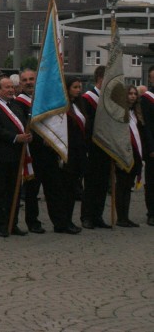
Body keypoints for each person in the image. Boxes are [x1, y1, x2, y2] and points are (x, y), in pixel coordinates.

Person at [0, 76, 32, 237]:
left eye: (12, 87)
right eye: (6, 87)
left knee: (14, 191)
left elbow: (23, 124)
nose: (10, 90)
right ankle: (0, 225)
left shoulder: (16, 105)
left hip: (17, 155)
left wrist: (27, 136)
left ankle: (12, 223)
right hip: (1, 155)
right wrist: (15, 138)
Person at [51, 77, 86, 234]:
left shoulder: (78, 105)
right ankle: (62, 222)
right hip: (66, 152)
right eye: (75, 87)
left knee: (72, 188)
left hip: (78, 152)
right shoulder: (62, 107)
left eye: (79, 87)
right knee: (64, 189)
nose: (78, 90)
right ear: (67, 88)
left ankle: (68, 220)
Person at [15, 68, 47, 234]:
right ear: (20, 83)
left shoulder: (44, 101)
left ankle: (61, 220)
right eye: (25, 80)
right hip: (31, 152)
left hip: (48, 151)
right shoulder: (18, 103)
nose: (28, 82)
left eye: (31, 79)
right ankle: (32, 221)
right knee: (32, 191)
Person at [80, 65, 111, 229]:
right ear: (100, 78)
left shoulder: (108, 99)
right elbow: (87, 123)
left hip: (106, 147)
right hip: (92, 147)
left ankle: (98, 215)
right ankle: (87, 216)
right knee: (91, 184)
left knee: (103, 184)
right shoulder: (87, 98)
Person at [115, 86, 147, 227]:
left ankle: (125, 216)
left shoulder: (136, 113)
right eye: (130, 93)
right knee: (121, 186)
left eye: (135, 94)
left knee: (128, 186)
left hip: (135, 155)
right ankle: (120, 217)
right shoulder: (119, 113)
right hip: (123, 153)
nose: (133, 96)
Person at [141, 65, 154, 226]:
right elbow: (147, 126)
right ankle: (151, 212)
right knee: (152, 182)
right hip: (153, 148)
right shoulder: (146, 99)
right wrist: (150, 148)